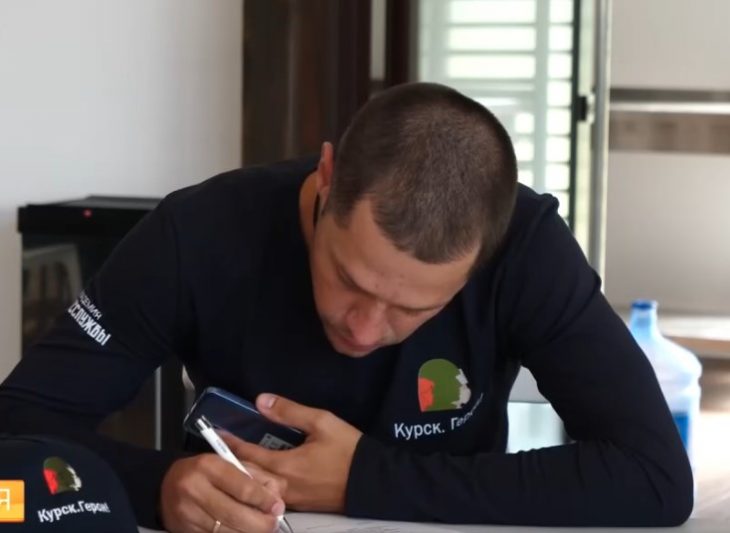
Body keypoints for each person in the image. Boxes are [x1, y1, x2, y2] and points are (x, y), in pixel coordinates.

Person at [0, 82, 693, 532]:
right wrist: (162, 487)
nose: (363, 328)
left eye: (410, 308)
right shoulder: (198, 234)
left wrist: (363, 479)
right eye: (348, 278)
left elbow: (655, 478)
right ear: (327, 178)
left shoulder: (528, 249)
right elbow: (17, 423)